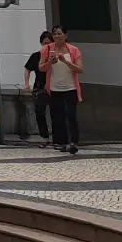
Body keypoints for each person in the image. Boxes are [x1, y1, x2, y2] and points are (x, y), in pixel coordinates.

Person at [42, 25, 84, 155]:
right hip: (55, 88)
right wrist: (50, 62)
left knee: (71, 115)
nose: (57, 36)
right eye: (55, 34)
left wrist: (66, 61)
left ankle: (73, 142)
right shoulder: (47, 49)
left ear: (65, 35)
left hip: (70, 87)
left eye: (60, 34)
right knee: (58, 115)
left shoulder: (74, 50)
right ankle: (62, 142)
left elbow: (80, 69)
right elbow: (41, 67)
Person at [20, 30, 51, 145]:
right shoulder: (36, 56)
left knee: (55, 112)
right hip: (40, 87)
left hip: (54, 87)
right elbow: (27, 69)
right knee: (40, 113)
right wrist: (27, 84)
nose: (46, 46)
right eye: (44, 43)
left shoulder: (56, 56)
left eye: (48, 43)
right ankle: (45, 137)